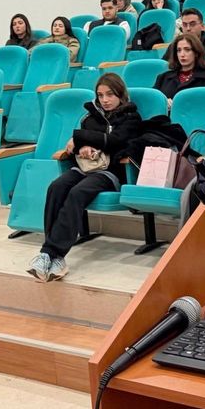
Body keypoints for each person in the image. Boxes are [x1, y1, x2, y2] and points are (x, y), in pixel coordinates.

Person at [28, 73, 141, 281]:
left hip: (111, 172)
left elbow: (114, 141)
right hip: (84, 167)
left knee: (77, 192)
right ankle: (52, 258)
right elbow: (76, 148)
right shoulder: (89, 118)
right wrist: (82, 146)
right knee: (56, 187)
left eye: (110, 94)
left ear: (120, 95)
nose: (105, 100)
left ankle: (51, 252)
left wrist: (79, 137)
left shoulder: (131, 118)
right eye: (100, 95)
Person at [154, 33, 205, 101]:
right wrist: (164, 102)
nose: (182, 55)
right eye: (179, 50)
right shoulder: (163, 78)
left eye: (187, 50)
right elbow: (153, 100)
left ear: (196, 53)